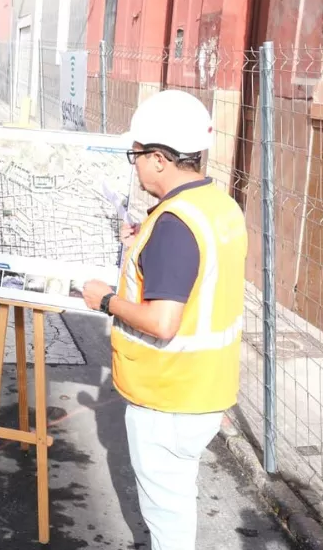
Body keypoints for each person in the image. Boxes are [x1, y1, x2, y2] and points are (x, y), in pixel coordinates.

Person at [81, 89, 247, 550]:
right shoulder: (217, 206)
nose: (133, 164)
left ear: (158, 158)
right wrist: (141, 243)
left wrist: (105, 299)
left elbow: (164, 321)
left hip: (171, 395)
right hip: (205, 387)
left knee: (168, 516)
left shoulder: (175, 225)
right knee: (178, 498)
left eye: (136, 154)